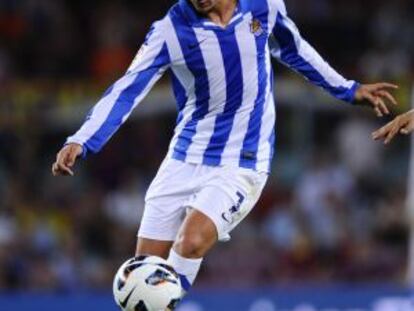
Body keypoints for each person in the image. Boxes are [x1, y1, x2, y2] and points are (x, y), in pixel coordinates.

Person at [52, 0, 398, 303]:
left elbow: (294, 49)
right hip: (183, 158)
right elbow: (127, 89)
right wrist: (81, 139)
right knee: (144, 275)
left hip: (242, 162)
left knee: (190, 242)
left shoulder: (263, 7)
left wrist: (348, 89)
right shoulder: (171, 30)